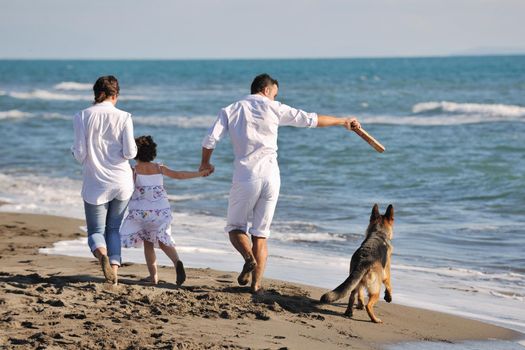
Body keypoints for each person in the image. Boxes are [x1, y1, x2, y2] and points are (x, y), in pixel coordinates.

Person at [200, 73, 361, 294]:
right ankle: (256, 286)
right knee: (261, 234)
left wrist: (205, 164)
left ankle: (249, 259)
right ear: (266, 90)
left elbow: (210, 139)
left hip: (246, 176)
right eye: (275, 94)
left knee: (235, 228)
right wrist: (343, 121)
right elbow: (311, 119)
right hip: (272, 178)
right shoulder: (274, 108)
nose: (275, 98)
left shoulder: (231, 109)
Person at [120, 135, 212, 286]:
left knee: (148, 243)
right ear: (152, 152)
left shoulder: (134, 170)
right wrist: (200, 173)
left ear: (134, 152)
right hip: (161, 212)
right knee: (163, 239)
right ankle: (177, 262)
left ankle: (153, 276)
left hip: (141, 213)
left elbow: (125, 188)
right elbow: (179, 175)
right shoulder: (159, 168)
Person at [72, 75, 137, 284]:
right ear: (115, 95)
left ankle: (102, 256)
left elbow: (80, 154)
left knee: (96, 231)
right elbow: (130, 153)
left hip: (96, 183)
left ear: (95, 94)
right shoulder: (125, 116)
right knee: (113, 229)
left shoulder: (82, 116)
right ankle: (115, 276)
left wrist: (75, 151)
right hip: (122, 182)